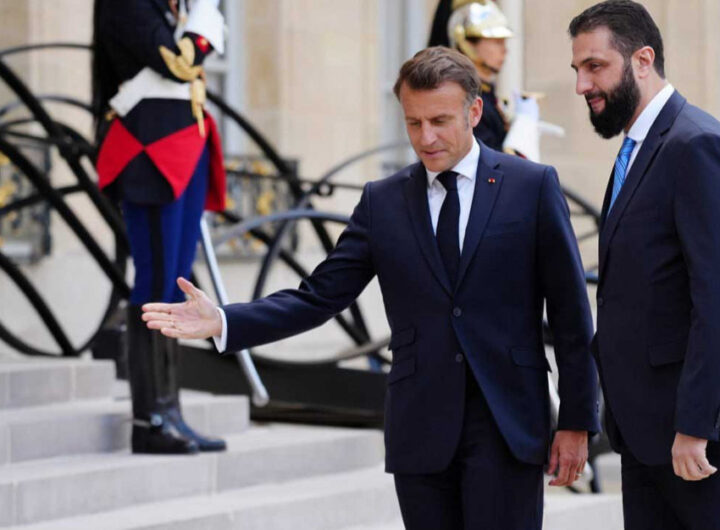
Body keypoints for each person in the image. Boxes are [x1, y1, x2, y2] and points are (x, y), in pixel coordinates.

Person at [143, 46, 599, 529]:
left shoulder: (531, 187)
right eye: (413, 123)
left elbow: (572, 316)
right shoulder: (383, 202)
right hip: (420, 427)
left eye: (440, 121)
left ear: (474, 112)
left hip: (509, 423)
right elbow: (319, 296)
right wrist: (224, 320)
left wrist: (576, 421)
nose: (426, 138)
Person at [569, 1, 720, 527]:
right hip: (639, 432)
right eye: (578, 69)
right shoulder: (635, 146)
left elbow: (714, 297)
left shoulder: (695, 143)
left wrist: (696, 426)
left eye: (595, 66)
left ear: (642, 59)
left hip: (689, 441)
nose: (582, 84)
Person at [92, 0, 227, 454]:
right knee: (156, 282)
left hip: (184, 146)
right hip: (148, 150)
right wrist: (205, 19)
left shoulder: (173, 7)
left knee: (176, 283)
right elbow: (177, 62)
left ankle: (171, 411)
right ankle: (149, 419)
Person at [431, 0, 541, 160]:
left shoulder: (486, 93)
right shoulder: (463, 100)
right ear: (467, 43)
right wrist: (524, 127)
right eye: (497, 42)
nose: (505, 50)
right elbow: (494, 163)